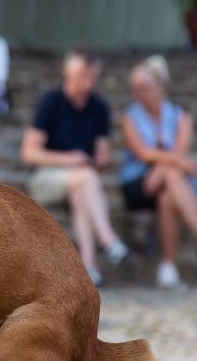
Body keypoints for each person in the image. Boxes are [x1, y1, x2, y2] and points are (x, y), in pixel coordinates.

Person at [120, 55, 197, 289]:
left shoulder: (181, 117)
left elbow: (174, 154)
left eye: (144, 88)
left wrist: (161, 168)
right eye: (135, 89)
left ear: (160, 87)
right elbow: (145, 154)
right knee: (174, 174)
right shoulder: (130, 117)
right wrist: (174, 163)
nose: (138, 94)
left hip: (163, 183)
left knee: (167, 193)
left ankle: (168, 268)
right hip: (138, 183)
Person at [21, 49, 129, 286]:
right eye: (82, 76)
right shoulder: (51, 102)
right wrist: (69, 159)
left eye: (91, 77)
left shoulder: (99, 107)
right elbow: (29, 152)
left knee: (81, 193)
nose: (87, 83)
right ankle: (108, 239)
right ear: (67, 72)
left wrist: (97, 160)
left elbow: (102, 153)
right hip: (46, 178)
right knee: (86, 179)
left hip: (81, 180)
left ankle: (89, 267)